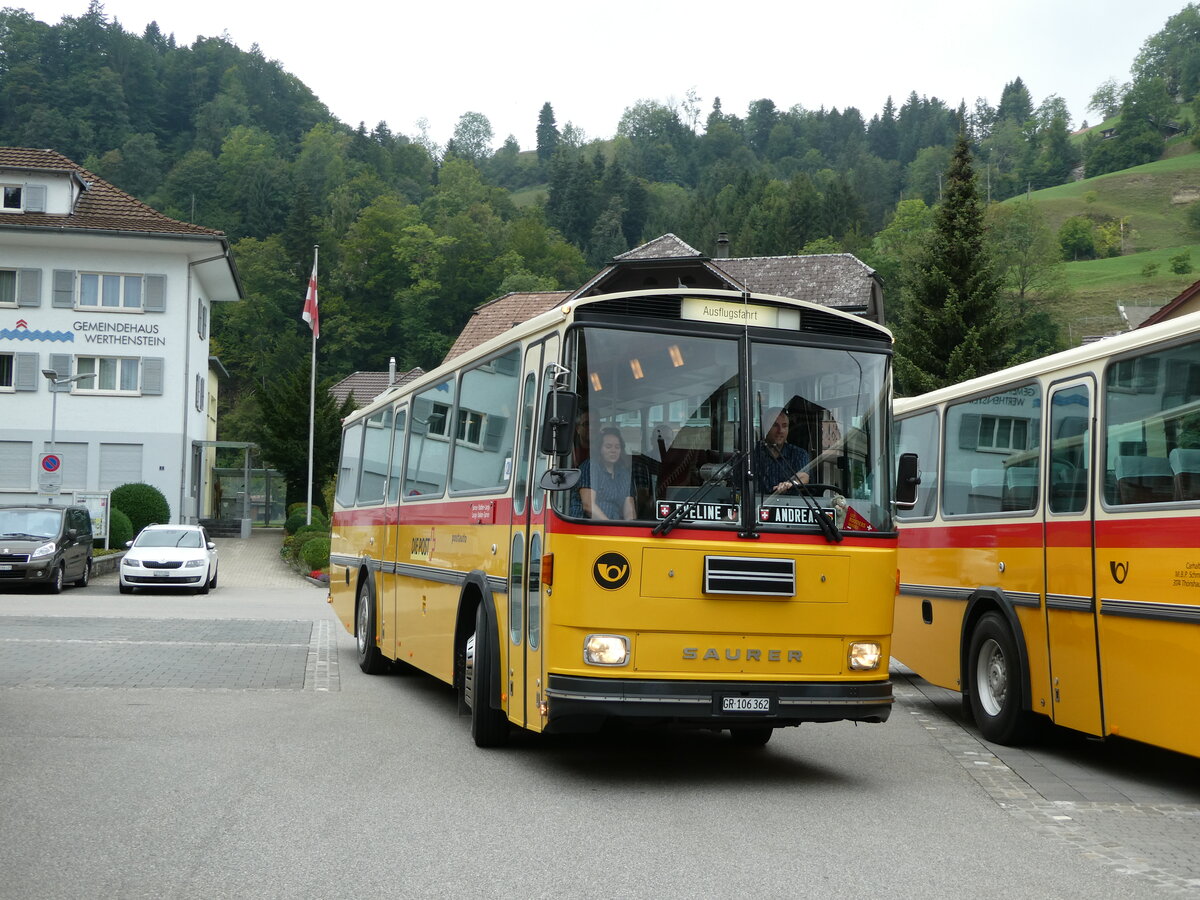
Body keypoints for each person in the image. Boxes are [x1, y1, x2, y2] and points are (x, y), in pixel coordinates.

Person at [579, 426, 637, 520]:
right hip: (587, 528)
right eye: (608, 447)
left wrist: (629, 529)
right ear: (599, 449)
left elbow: (629, 510)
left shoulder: (624, 473)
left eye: (617, 447)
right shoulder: (591, 467)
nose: (613, 451)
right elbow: (588, 505)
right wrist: (609, 526)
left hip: (614, 528)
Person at [754, 407, 810, 494]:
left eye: (784, 426)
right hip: (755, 506)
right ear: (765, 428)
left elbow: (803, 477)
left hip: (789, 505)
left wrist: (791, 484)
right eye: (775, 425)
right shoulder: (752, 453)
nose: (780, 431)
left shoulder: (798, 454)